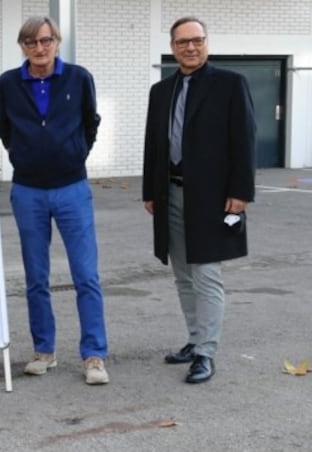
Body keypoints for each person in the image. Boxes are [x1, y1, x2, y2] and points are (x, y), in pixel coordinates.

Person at [0, 16, 108, 385]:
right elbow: (4, 128)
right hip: (28, 191)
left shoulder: (79, 78)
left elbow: (89, 124)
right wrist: (25, 156)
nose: (39, 49)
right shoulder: (8, 83)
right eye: (30, 42)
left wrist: (73, 154)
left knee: (86, 275)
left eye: (45, 41)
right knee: (35, 277)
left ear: (57, 42)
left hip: (71, 188)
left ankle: (94, 355)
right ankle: (44, 349)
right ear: (22, 46)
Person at [142, 17, 256, 384]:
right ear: (173, 47)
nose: (191, 48)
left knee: (206, 276)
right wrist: (149, 191)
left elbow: (244, 140)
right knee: (182, 275)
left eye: (197, 41)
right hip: (169, 193)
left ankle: (206, 352)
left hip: (212, 198)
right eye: (182, 42)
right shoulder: (161, 91)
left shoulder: (230, 84)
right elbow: (152, 145)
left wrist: (241, 192)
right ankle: (193, 340)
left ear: (206, 43)